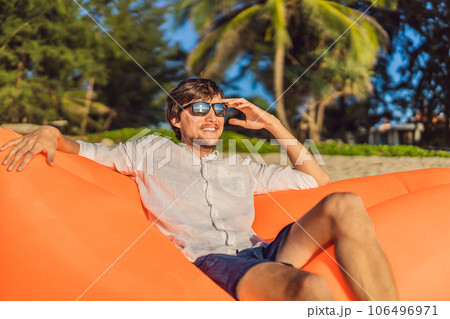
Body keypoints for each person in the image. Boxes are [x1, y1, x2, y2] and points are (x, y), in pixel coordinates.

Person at [0, 78, 398, 301]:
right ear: (176, 117)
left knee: (344, 202)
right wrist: (50, 131)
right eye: (201, 109)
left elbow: (317, 181)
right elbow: (87, 151)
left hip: (264, 247)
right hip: (215, 260)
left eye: (220, 109)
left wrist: (274, 125)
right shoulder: (149, 151)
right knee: (309, 287)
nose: (214, 118)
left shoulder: (240, 164)